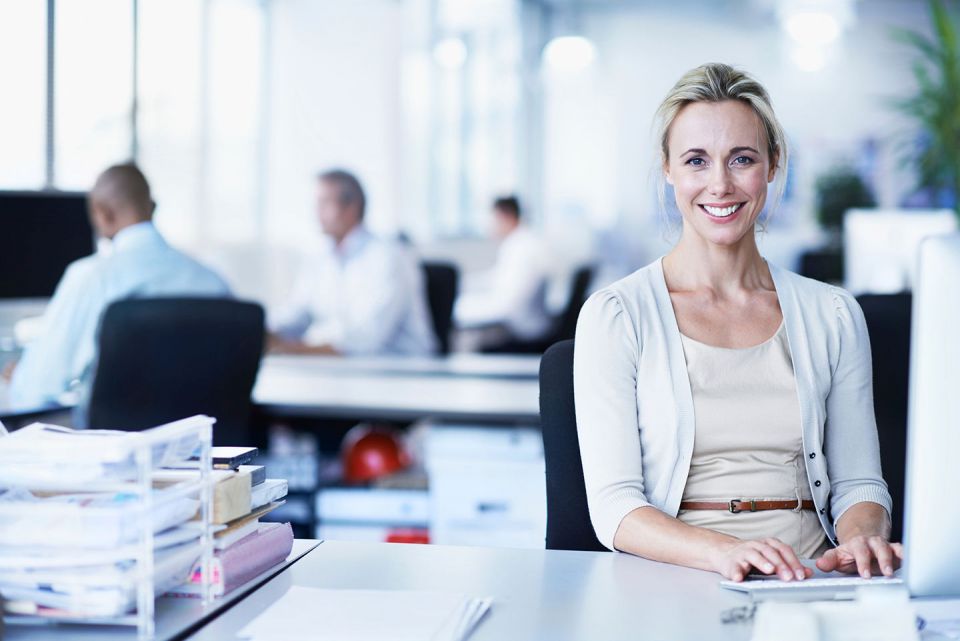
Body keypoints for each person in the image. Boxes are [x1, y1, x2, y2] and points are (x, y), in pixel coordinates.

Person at [574, 63, 900, 583]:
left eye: (742, 159)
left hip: (809, 576)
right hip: (679, 575)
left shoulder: (832, 313)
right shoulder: (618, 315)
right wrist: (723, 552)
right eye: (696, 161)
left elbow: (860, 484)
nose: (720, 184)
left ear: (772, 165)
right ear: (668, 169)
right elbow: (615, 507)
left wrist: (862, 538)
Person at [9, 163, 231, 408]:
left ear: (102, 213)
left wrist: (19, 379)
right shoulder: (212, 281)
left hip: (112, 443)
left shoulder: (91, 278)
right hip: (205, 440)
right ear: (152, 208)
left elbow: (38, 389)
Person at [269, 169, 436, 356]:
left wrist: (298, 348)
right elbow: (299, 313)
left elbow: (367, 336)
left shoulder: (388, 256)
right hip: (346, 368)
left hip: (401, 370)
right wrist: (263, 330)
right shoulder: (320, 257)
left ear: (351, 208)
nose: (316, 213)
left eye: (324, 203)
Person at [454, 196, 552, 346]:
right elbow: (494, 279)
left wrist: (460, 309)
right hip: (522, 326)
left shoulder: (523, 249)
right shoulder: (519, 243)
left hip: (523, 334)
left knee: (464, 340)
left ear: (505, 217)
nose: (489, 226)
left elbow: (507, 306)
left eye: (492, 220)